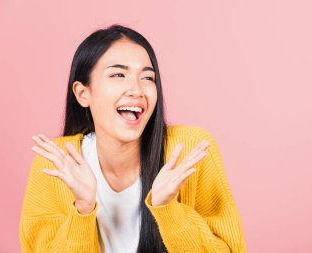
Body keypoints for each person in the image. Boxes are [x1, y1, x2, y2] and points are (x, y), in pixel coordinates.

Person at [19, 24, 247, 253]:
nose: (136, 90)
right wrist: (83, 209)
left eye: (148, 77)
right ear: (83, 93)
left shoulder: (189, 151)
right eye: (118, 74)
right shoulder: (56, 162)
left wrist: (168, 210)